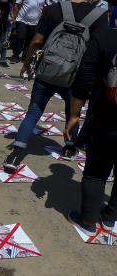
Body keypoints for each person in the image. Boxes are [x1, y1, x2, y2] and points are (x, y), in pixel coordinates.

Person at [2, 0, 108, 173]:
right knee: (72, 112)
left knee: (34, 112)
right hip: (75, 75)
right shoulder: (100, 16)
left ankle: (15, 154)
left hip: (47, 71)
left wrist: (27, 63)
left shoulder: (52, 9)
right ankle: (69, 147)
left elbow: (37, 40)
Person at [65, 25, 117, 236]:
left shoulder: (105, 38)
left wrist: (74, 115)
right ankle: (110, 218)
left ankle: (88, 221)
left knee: (96, 173)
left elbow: (84, 79)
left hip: (106, 118)